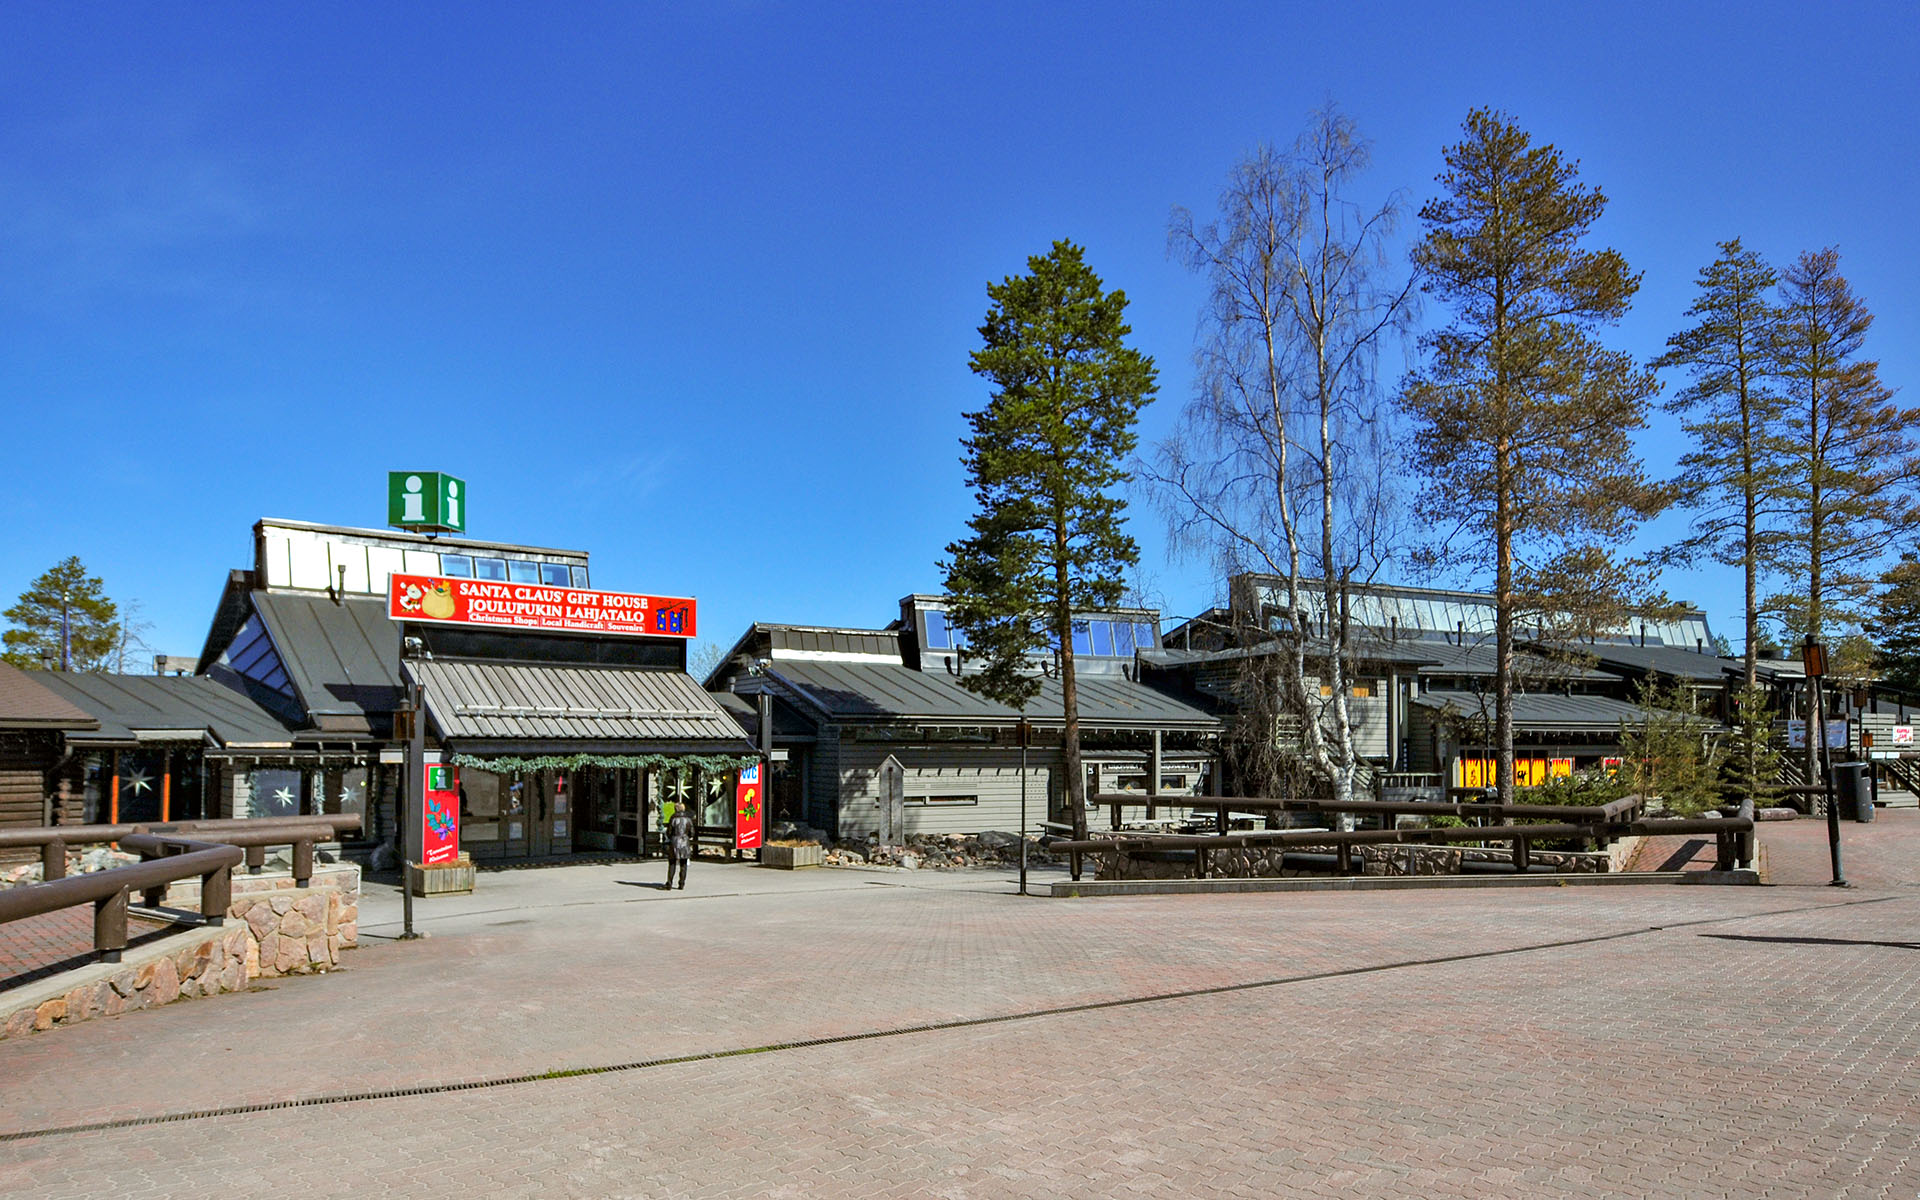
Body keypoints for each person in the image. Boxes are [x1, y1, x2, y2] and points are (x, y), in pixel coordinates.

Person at [665, 802, 695, 890]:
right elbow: (692, 832)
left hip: (674, 841)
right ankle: (681, 884)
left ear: (675, 809)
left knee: (672, 863)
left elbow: (669, 832)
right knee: (683, 864)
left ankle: (669, 883)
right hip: (685, 842)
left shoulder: (673, 818)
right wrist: (687, 837)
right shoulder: (688, 819)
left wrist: (672, 838)